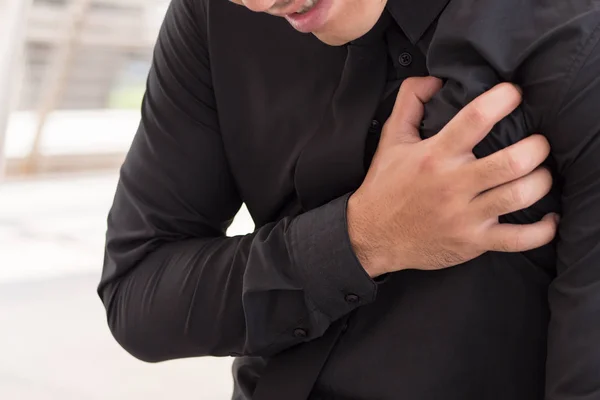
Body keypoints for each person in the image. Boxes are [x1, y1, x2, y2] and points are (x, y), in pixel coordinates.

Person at [97, 0, 600, 399]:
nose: (256, 3)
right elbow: (137, 293)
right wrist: (361, 239)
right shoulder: (213, 16)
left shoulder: (575, 43)